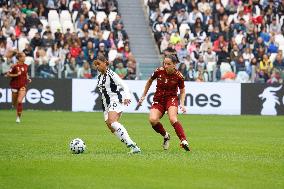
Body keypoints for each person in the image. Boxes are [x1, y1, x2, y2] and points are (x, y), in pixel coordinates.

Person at [138, 55, 190, 151]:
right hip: (159, 99)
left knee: (172, 118)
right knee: (153, 120)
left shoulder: (179, 76)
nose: (165, 66)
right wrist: (143, 95)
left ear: (174, 65)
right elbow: (149, 81)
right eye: (164, 63)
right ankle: (166, 135)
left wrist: (182, 104)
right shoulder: (159, 71)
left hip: (171, 99)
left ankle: (183, 140)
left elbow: (182, 92)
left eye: (168, 64)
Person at [92, 55, 141, 154]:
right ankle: (131, 145)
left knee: (112, 121)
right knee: (110, 126)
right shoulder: (100, 77)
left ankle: (133, 145)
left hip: (115, 100)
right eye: (96, 64)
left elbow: (124, 85)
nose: (97, 66)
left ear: (105, 63)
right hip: (106, 103)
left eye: (99, 64)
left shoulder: (111, 74)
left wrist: (127, 96)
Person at [5, 51, 31, 123]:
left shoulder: (26, 66)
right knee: (14, 103)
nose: (25, 57)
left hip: (22, 85)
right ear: (19, 58)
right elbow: (7, 75)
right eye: (23, 56)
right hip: (14, 86)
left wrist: (28, 78)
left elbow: (26, 74)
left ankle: (18, 118)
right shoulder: (14, 66)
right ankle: (13, 105)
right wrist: (16, 74)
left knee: (19, 101)